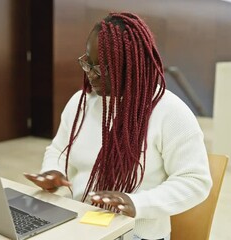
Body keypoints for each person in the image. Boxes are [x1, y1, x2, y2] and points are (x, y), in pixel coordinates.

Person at [24, 12, 212, 240]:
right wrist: (54, 171)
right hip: (77, 223)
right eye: (87, 63)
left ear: (131, 67)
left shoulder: (170, 112)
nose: (90, 75)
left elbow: (195, 181)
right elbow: (58, 150)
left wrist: (136, 203)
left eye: (101, 69)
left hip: (136, 233)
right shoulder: (81, 102)